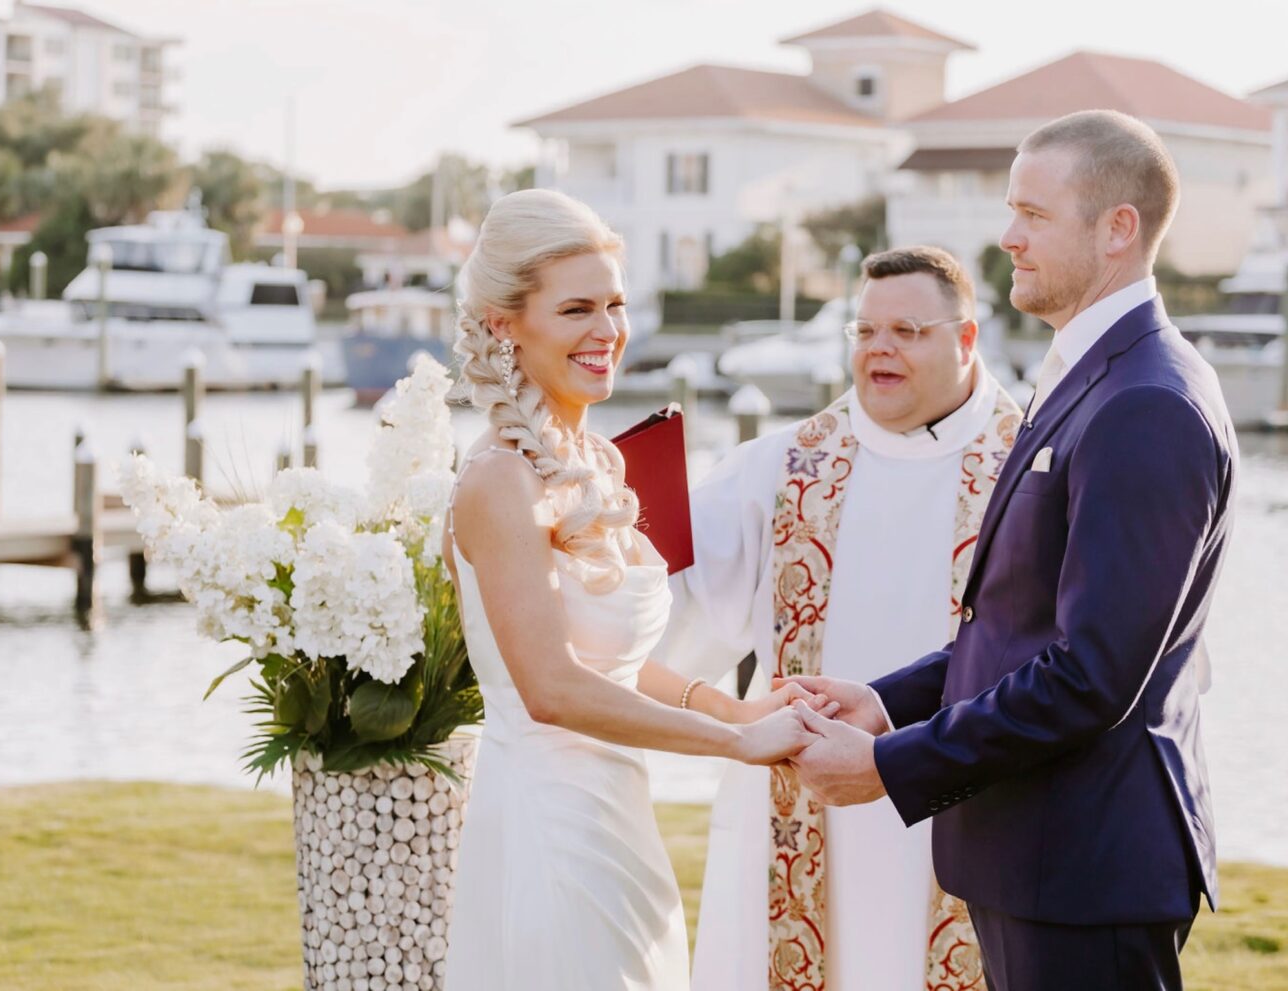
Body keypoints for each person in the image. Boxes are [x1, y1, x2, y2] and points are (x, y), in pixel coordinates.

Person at [787, 110, 1236, 991]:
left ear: (1118, 228)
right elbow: (1019, 619)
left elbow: (1093, 672)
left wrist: (890, 766)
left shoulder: (1147, 401)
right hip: (1038, 855)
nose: (1007, 237)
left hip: (1085, 866)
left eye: (1033, 214)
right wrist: (884, 701)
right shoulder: (1092, 374)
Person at [441, 189, 829, 990]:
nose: (607, 331)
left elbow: (605, 661)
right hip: (551, 829)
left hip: (619, 818)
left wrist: (731, 706)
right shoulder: (498, 484)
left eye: (615, 304)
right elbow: (550, 687)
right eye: (577, 308)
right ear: (506, 324)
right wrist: (733, 745)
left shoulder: (596, 463)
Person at [660, 246, 1018, 990]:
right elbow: (655, 610)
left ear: (967, 338)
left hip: (975, 810)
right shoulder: (782, 466)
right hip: (801, 813)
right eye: (865, 331)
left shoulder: (1034, 466)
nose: (880, 348)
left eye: (908, 330)